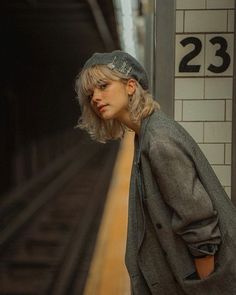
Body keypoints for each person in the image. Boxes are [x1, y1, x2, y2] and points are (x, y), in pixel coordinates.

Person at [75, 50, 236, 295]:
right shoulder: (145, 134)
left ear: (130, 86)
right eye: (90, 93)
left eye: (103, 85)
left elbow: (199, 221)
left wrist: (206, 285)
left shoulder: (158, 140)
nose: (96, 97)